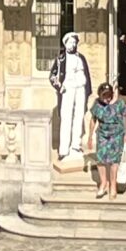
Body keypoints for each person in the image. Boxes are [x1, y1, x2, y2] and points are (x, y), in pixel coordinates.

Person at [48, 33, 93, 162]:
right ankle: (64, 149)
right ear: (65, 43)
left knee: (79, 116)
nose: (72, 45)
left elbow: (87, 74)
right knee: (66, 117)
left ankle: (76, 145)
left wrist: (87, 91)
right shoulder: (60, 59)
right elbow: (52, 76)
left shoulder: (81, 58)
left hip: (80, 89)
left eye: (74, 42)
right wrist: (59, 87)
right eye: (70, 42)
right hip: (68, 89)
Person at [87, 78, 126, 198]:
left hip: (117, 135)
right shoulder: (97, 104)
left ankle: (113, 185)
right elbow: (93, 119)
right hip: (103, 135)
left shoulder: (119, 103)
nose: (107, 99)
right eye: (104, 96)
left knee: (114, 161)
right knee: (101, 159)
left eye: (109, 96)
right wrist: (90, 136)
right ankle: (103, 183)